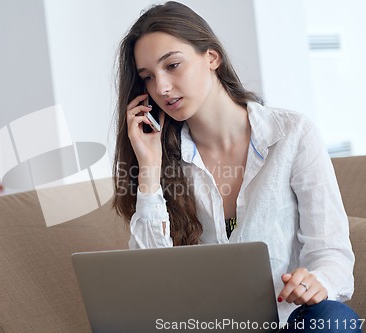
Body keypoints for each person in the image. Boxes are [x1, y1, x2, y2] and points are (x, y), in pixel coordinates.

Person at [112, 1, 360, 331]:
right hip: (207, 326)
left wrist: (315, 282)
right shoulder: (165, 160)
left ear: (211, 57)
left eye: (172, 65)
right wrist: (149, 168)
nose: (162, 88)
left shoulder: (292, 134)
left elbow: (332, 254)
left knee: (332, 319)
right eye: (148, 78)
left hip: (290, 323)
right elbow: (151, 280)